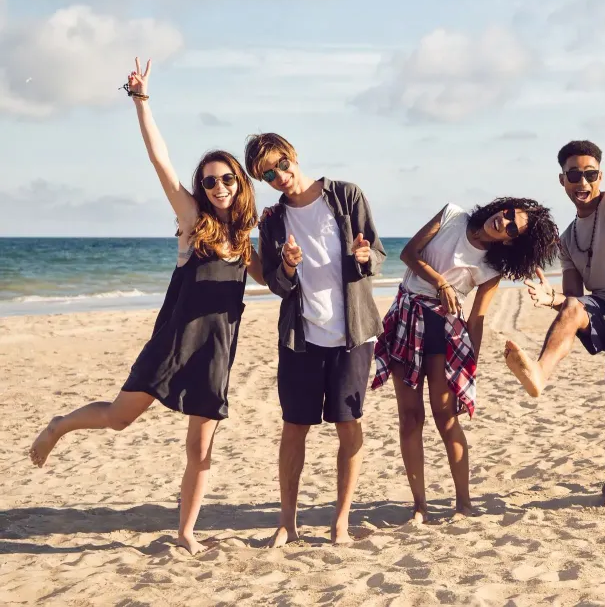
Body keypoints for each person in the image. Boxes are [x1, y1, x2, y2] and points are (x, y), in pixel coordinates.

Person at [28, 58, 265, 555]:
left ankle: (185, 534)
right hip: (173, 345)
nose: (217, 187)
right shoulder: (192, 221)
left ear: (240, 183)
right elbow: (161, 162)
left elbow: (282, 283)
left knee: (200, 451)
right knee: (119, 418)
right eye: (208, 181)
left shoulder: (246, 242)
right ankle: (60, 425)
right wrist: (142, 102)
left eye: (226, 179)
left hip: (216, 353)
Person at [372, 198, 559, 522]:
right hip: (407, 316)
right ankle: (420, 506)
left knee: (446, 419)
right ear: (504, 207)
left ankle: (463, 503)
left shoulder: (491, 268)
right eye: (510, 214)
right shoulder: (451, 215)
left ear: (511, 241)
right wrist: (441, 282)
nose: (505, 222)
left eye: (513, 228)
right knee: (410, 417)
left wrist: (469, 366)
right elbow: (408, 254)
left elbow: (477, 318)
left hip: (446, 331)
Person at [504, 140, 605, 507]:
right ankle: (540, 375)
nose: (583, 182)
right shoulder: (567, 240)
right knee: (574, 307)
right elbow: (573, 302)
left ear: (600, 176)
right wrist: (551, 301)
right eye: (574, 175)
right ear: (562, 180)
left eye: (590, 174)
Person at [245, 132, 385, 546]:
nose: (279, 176)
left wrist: (364, 257)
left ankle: (340, 522)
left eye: (281, 165)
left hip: (352, 335)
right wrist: (287, 268)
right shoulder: (272, 221)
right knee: (294, 428)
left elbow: (376, 252)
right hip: (300, 338)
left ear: (294, 156)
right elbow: (275, 283)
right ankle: (287, 522)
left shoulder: (346, 196)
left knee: (349, 425)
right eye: (268, 174)